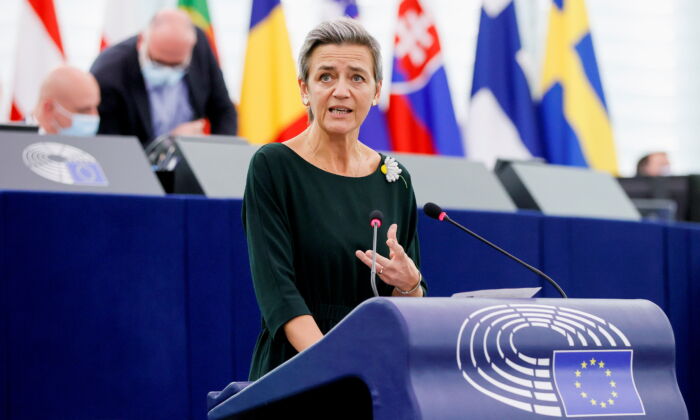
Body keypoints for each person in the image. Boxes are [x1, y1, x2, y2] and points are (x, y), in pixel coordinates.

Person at [243, 18, 426, 381]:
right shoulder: (273, 167)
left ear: (376, 91)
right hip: (297, 368)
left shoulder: (394, 178)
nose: (341, 90)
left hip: (372, 373)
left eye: (357, 77)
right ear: (305, 90)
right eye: (326, 76)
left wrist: (410, 285)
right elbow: (279, 293)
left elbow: (408, 307)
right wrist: (334, 365)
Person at [90, 8, 236, 146]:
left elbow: (223, 110)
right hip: (139, 165)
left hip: (192, 159)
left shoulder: (200, 45)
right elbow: (113, 147)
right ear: (142, 41)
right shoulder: (109, 73)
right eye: (158, 63)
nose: (168, 70)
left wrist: (221, 150)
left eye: (177, 65)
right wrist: (169, 142)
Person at [33, 65, 101, 136]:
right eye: (83, 111)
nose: (94, 117)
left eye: (96, 108)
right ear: (49, 109)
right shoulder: (21, 143)